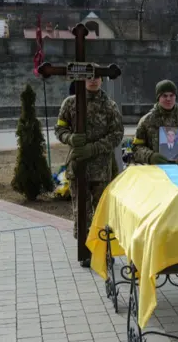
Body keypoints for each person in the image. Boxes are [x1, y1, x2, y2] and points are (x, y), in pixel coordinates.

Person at [55, 75, 124, 265]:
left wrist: (94, 148)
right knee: (81, 211)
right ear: (82, 80)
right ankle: (85, 251)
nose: (93, 81)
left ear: (102, 80)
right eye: (89, 77)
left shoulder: (110, 106)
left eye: (97, 77)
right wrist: (70, 138)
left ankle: (104, 250)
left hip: (102, 168)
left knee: (103, 212)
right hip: (79, 167)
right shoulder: (70, 103)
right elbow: (60, 128)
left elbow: (117, 134)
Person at [132, 80, 178, 174]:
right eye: (164, 96)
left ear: (175, 97)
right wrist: (151, 156)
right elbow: (136, 147)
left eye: (171, 95)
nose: (168, 99)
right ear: (158, 98)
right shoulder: (147, 121)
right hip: (155, 175)